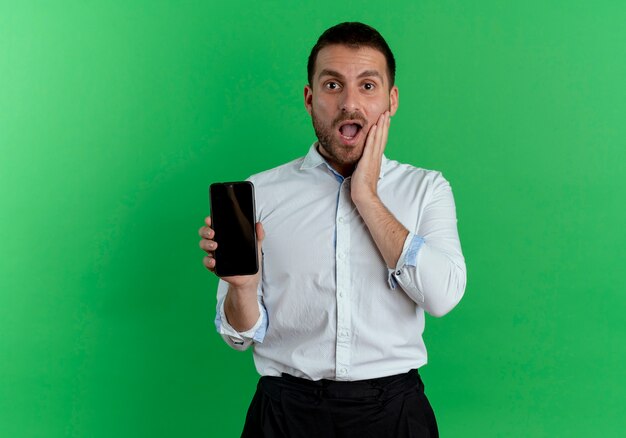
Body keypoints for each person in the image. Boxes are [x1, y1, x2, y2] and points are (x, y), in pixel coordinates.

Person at [199, 22, 466, 438]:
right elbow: (239, 336)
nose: (350, 103)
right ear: (310, 98)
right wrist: (242, 289)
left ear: (391, 100)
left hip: (395, 414)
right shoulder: (260, 193)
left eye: (368, 86)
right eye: (332, 85)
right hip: (284, 416)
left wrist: (367, 198)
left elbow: (443, 296)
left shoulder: (426, 189)